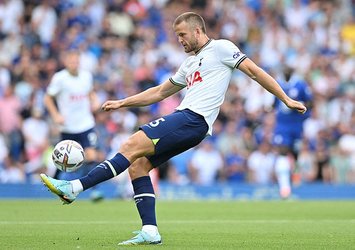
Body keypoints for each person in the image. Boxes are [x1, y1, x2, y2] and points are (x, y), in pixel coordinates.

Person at [40, 12, 307, 245]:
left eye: (182, 34)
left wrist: (285, 98)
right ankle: (150, 230)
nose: (179, 40)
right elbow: (159, 92)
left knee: (130, 145)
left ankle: (74, 187)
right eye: (177, 35)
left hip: (193, 118)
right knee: (138, 165)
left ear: (197, 30)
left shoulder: (222, 48)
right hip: (190, 122)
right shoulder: (190, 63)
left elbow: (255, 71)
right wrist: (124, 102)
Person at [43, 50, 102, 199]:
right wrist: (56, 115)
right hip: (68, 126)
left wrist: (94, 101)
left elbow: (90, 93)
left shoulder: (86, 76)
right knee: (62, 159)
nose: (74, 64)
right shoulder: (60, 78)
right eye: (71, 62)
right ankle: (54, 184)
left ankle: (94, 191)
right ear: (66, 62)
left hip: (86, 124)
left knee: (91, 154)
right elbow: (47, 99)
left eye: (76, 61)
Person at [272, 66, 313, 198]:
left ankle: (296, 177)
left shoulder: (300, 85)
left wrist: (302, 107)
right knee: (282, 151)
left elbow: (310, 102)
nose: (286, 72)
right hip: (282, 126)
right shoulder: (277, 84)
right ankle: (285, 188)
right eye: (284, 71)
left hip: (296, 125)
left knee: (295, 154)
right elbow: (274, 104)